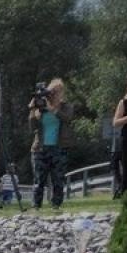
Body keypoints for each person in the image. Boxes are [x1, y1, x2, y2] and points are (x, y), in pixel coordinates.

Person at [28, 78, 75, 210]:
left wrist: (52, 109)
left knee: (58, 179)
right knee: (39, 180)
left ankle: (56, 204)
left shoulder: (66, 107)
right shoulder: (41, 107)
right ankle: (36, 205)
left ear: (62, 92)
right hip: (40, 148)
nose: (54, 94)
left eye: (57, 91)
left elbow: (67, 118)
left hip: (59, 148)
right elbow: (32, 127)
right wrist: (32, 109)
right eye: (52, 91)